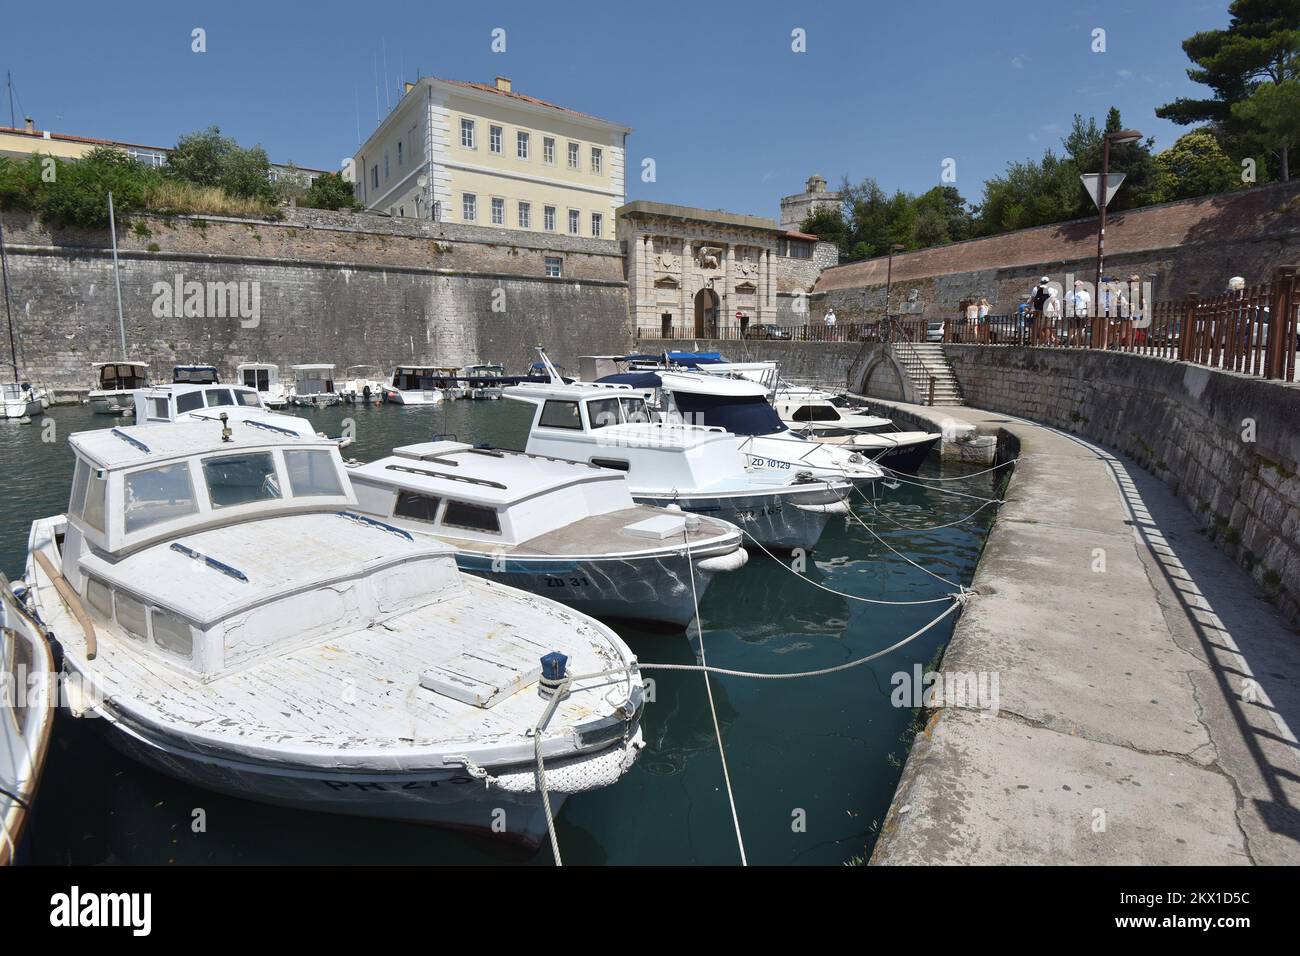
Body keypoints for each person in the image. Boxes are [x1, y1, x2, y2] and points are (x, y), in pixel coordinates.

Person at [1029, 276, 1052, 344]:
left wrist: (1030, 308)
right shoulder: (1051, 289)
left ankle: (1038, 342)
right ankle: (1045, 342)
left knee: (1037, 327)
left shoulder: (1036, 288)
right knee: (1047, 327)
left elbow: (1032, 299)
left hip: (1038, 310)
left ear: (1041, 282)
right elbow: (1053, 300)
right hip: (1048, 310)